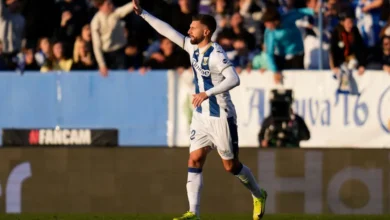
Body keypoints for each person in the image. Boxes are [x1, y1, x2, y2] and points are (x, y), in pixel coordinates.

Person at [132, 1, 267, 220]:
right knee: (194, 159)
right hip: (201, 116)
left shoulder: (216, 53)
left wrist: (208, 93)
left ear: (206, 32)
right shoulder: (192, 47)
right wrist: (143, 13)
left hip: (221, 116)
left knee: (231, 167)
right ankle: (193, 212)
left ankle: (258, 194)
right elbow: (167, 31)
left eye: (192, 28)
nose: (188, 31)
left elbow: (234, 78)